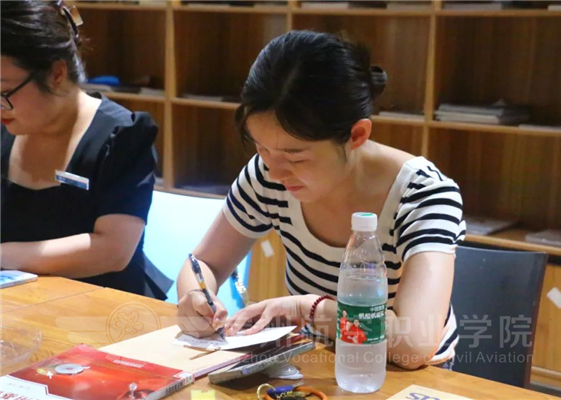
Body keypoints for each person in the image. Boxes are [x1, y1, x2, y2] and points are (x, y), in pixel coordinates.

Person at [176, 30, 466, 369]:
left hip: (401, 371)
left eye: (296, 157)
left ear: (356, 135)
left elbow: (414, 343)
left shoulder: (423, 195)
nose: (276, 172)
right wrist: (195, 297)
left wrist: (307, 309)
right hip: (317, 358)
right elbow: (204, 263)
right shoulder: (267, 173)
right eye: (262, 147)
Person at [0, 0, 172, 299]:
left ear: (56, 73)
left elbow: (113, 250)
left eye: (4, 92)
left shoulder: (122, 136)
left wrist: (4, 255)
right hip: (17, 303)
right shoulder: (7, 123)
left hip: (104, 306)